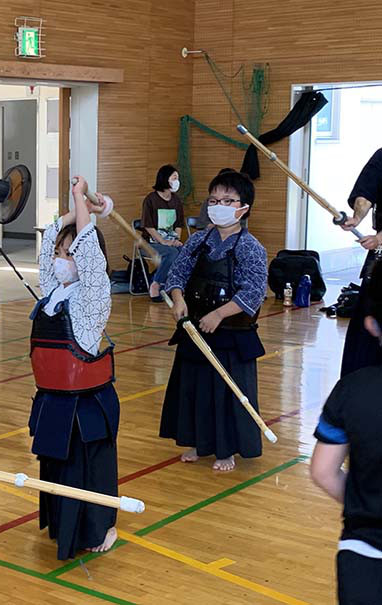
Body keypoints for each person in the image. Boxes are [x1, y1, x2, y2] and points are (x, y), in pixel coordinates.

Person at [29, 175, 119, 560]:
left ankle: (103, 527)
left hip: (86, 407)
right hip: (53, 402)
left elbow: (88, 251)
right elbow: (51, 235)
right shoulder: (52, 292)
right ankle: (62, 525)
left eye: (71, 255)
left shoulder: (92, 296)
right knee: (56, 468)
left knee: (88, 471)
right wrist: (78, 208)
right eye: (60, 255)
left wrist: (82, 201)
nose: (62, 261)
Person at [159, 169, 267, 472]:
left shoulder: (251, 247)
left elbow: (254, 292)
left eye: (228, 200)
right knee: (195, 388)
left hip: (231, 333)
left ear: (243, 207)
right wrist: (178, 300)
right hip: (196, 330)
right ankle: (198, 441)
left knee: (225, 393)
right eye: (215, 199)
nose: (219, 205)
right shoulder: (198, 241)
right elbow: (177, 274)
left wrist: (220, 314)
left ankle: (225, 449)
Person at [311, 259, 382, 604]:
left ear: (370, 324)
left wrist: (362, 503)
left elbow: (324, 472)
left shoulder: (351, 390)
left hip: (362, 550)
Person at [339, 149, 382, 376]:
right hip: (380, 260)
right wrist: (357, 218)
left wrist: (380, 238)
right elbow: (365, 193)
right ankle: (358, 388)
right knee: (366, 325)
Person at [141, 164, 185, 301]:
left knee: (184, 252)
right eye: (174, 177)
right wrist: (164, 241)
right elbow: (148, 226)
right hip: (151, 243)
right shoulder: (151, 200)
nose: (177, 180)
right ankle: (156, 284)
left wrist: (175, 239)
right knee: (172, 253)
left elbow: (178, 224)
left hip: (169, 241)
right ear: (165, 179)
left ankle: (175, 287)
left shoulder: (176, 200)